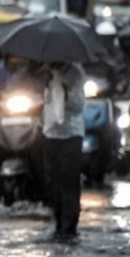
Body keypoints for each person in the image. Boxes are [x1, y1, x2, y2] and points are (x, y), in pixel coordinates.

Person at [38, 60, 87, 240]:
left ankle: (70, 227)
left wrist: (65, 90)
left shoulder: (75, 74)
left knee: (69, 183)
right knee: (53, 182)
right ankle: (58, 223)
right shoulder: (47, 74)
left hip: (71, 135)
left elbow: (78, 106)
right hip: (50, 135)